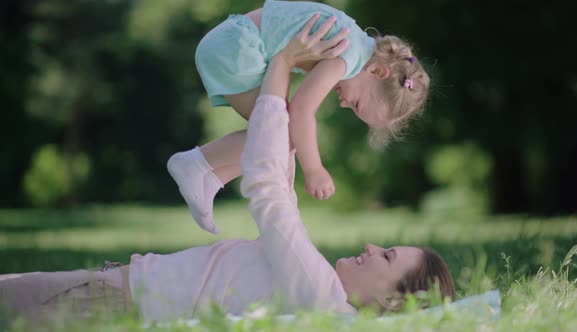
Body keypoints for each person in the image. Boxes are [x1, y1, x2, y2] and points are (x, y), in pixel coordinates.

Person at [0, 23, 452, 325]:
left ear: (396, 302)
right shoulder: (318, 290)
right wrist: (288, 134)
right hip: (123, 288)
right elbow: (283, 199)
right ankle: (199, 166)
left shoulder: (321, 296)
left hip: (119, 299)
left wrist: (279, 67)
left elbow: (271, 194)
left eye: (388, 257)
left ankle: (198, 165)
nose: (373, 247)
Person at [167, 0, 431, 234]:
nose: (343, 104)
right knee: (280, 134)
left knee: (281, 135)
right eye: (357, 103)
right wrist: (314, 170)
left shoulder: (355, 43)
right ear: (377, 72)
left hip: (233, 43)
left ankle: (211, 177)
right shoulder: (348, 56)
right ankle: (195, 164)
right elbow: (302, 111)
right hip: (237, 48)